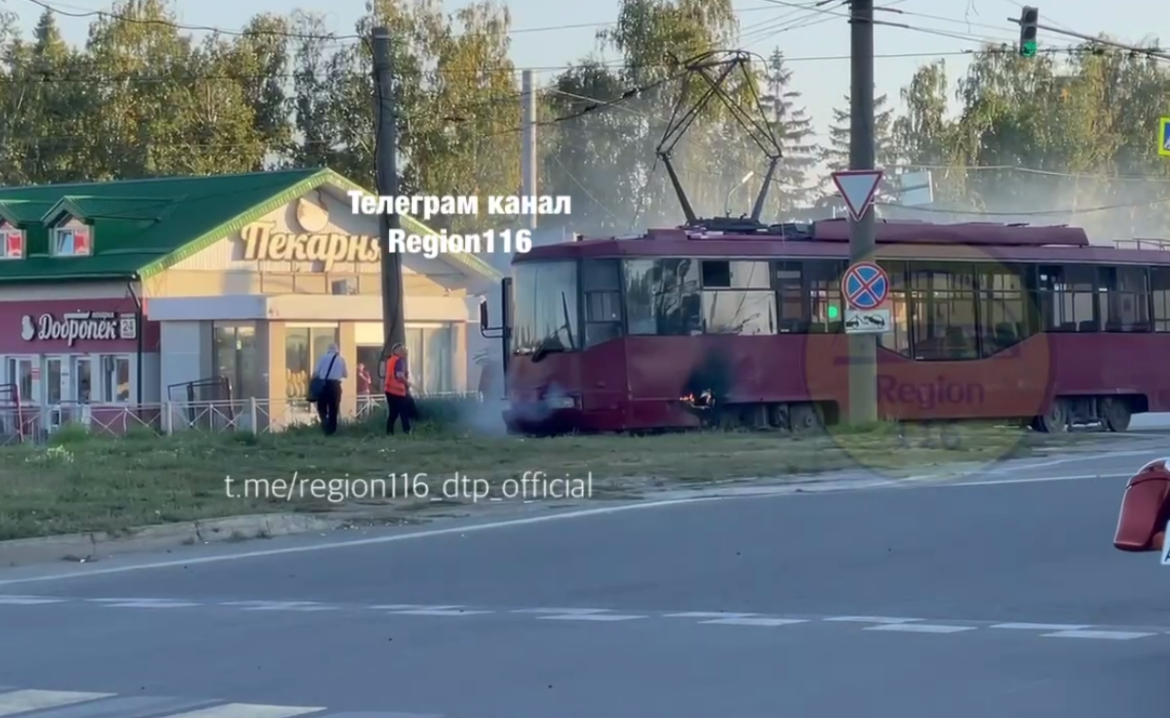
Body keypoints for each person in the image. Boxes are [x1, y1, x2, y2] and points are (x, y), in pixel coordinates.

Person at [312, 343, 347, 435]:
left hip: (323, 385)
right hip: (335, 385)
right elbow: (345, 374)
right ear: (337, 350)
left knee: (322, 406)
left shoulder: (322, 358)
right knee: (334, 408)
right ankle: (331, 430)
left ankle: (324, 423)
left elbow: (316, 372)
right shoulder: (341, 360)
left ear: (328, 350)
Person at [383, 343, 414, 435]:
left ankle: (389, 432)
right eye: (402, 349)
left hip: (389, 390)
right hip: (397, 391)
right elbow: (399, 375)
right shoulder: (399, 360)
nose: (404, 351)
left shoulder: (391, 360)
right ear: (397, 351)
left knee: (393, 413)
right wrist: (407, 383)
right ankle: (407, 431)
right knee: (404, 411)